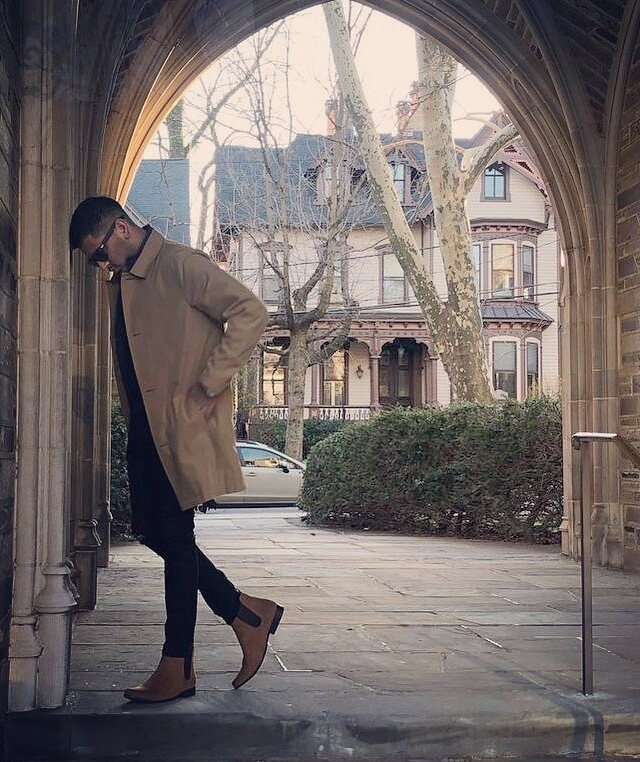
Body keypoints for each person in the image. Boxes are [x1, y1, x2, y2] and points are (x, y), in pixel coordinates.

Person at [69, 196, 283, 703]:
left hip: (180, 426)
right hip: (146, 429)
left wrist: (210, 383)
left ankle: (178, 663)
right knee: (152, 529)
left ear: (122, 229)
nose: (101, 265)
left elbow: (250, 311)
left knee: (175, 534)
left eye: (100, 253)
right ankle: (244, 613)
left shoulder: (181, 265)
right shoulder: (124, 281)